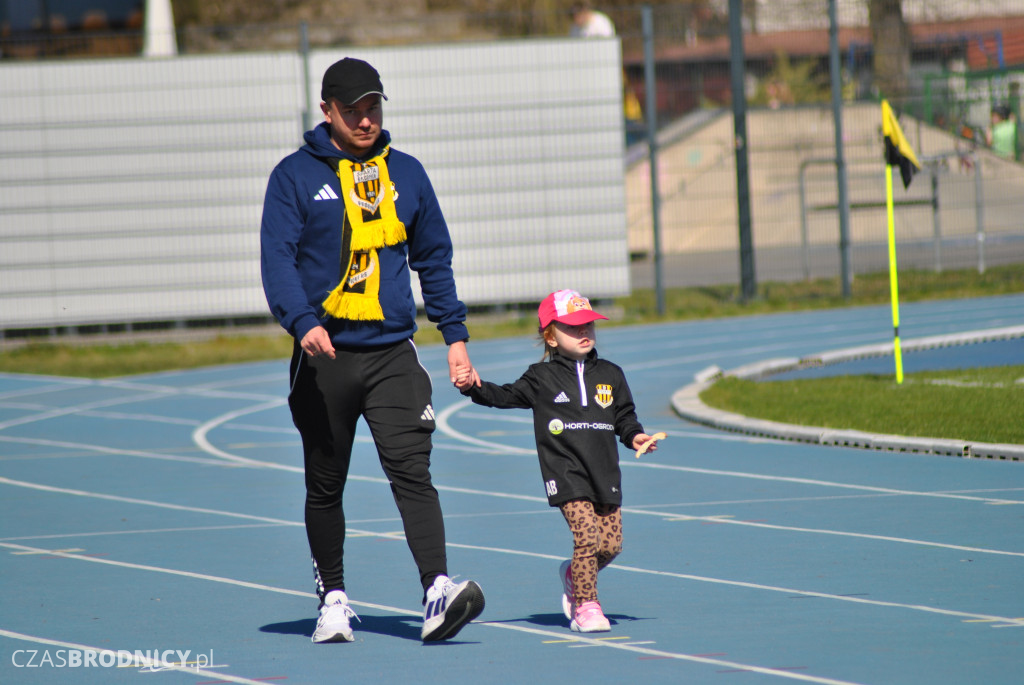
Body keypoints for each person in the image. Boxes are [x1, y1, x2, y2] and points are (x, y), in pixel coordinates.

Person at [260, 57, 485, 644]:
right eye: (353, 109)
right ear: (327, 111)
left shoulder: (407, 174)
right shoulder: (293, 177)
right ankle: (332, 599)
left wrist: (455, 339)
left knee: (414, 472)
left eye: (373, 107)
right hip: (325, 354)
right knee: (325, 482)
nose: (365, 119)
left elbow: (434, 258)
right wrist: (302, 322)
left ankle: (436, 590)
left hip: (392, 354)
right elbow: (278, 260)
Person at [454, 289, 660, 633]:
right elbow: (504, 395)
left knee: (611, 545)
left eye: (588, 326)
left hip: (603, 470)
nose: (584, 333)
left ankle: (573, 574)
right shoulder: (541, 377)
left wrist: (635, 436)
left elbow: (624, 416)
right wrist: (473, 386)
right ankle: (587, 607)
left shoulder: (612, 373)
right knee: (587, 539)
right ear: (550, 336)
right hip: (565, 471)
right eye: (573, 327)